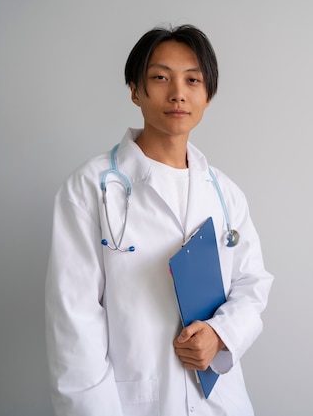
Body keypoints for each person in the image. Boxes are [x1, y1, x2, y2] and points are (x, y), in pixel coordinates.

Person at [45, 24, 274, 416]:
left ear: (208, 95)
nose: (178, 93)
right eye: (160, 77)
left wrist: (222, 334)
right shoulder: (91, 188)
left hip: (221, 401)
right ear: (135, 90)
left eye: (192, 80)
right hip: (135, 403)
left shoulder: (225, 193)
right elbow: (74, 322)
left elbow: (253, 285)